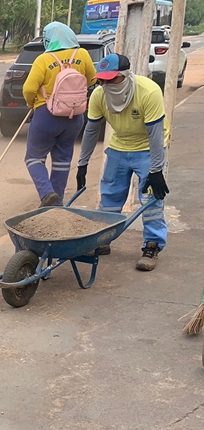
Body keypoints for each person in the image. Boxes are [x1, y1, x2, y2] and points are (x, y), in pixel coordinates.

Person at [76, 53, 170, 271]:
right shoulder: (99, 96)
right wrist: (83, 163)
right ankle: (103, 238)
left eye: (112, 79)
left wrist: (156, 169)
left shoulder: (148, 92)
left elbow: (155, 134)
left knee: (150, 199)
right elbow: (91, 130)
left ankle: (152, 245)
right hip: (119, 146)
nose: (106, 84)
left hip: (148, 147)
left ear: (126, 75)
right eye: (102, 80)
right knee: (109, 196)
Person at [22, 22, 97, 207]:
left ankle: (46, 193)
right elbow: (93, 79)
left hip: (47, 115)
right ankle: (57, 204)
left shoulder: (44, 60)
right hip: (75, 117)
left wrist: (32, 104)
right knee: (62, 160)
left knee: (34, 158)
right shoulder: (82, 54)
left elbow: (29, 88)